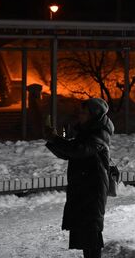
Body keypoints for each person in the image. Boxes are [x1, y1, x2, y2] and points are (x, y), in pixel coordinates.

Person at [45, 98, 114, 258]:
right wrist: (53, 141)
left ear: (93, 115)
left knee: (92, 231)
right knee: (85, 232)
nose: (80, 116)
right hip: (84, 188)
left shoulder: (99, 133)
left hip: (93, 189)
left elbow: (79, 150)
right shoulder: (86, 131)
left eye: (84, 113)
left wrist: (56, 139)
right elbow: (69, 153)